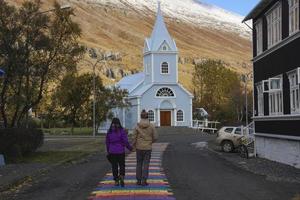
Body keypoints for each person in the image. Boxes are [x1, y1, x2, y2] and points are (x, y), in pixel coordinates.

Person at [132, 110, 158, 186]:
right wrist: (150, 142)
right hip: (148, 148)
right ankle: (144, 180)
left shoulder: (137, 126)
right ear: (147, 117)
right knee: (146, 164)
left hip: (139, 147)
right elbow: (156, 137)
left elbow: (134, 137)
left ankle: (138, 180)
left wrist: (133, 145)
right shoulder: (152, 126)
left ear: (141, 116)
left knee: (139, 163)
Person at [106, 118, 133, 187]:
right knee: (122, 165)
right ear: (119, 123)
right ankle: (121, 176)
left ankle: (116, 181)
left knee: (114, 166)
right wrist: (130, 148)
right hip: (121, 151)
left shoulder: (109, 132)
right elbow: (125, 142)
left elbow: (107, 143)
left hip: (112, 152)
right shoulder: (122, 131)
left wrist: (108, 151)